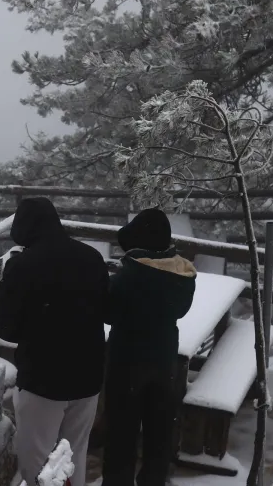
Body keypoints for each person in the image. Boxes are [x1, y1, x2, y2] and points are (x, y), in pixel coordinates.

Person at [0, 197, 110, 486]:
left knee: (38, 464)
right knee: (74, 456)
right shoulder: (91, 257)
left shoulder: (22, 266)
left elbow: (8, 330)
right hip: (88, 376)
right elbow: (105, 310)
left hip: (43, 380)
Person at [102, 208, 197, 486]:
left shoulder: (130, 277)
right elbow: (178, 310)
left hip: (127, 361)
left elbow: (109, 313)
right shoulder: (181, 276)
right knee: (159, 431)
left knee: (121, 433)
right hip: (164, 359)